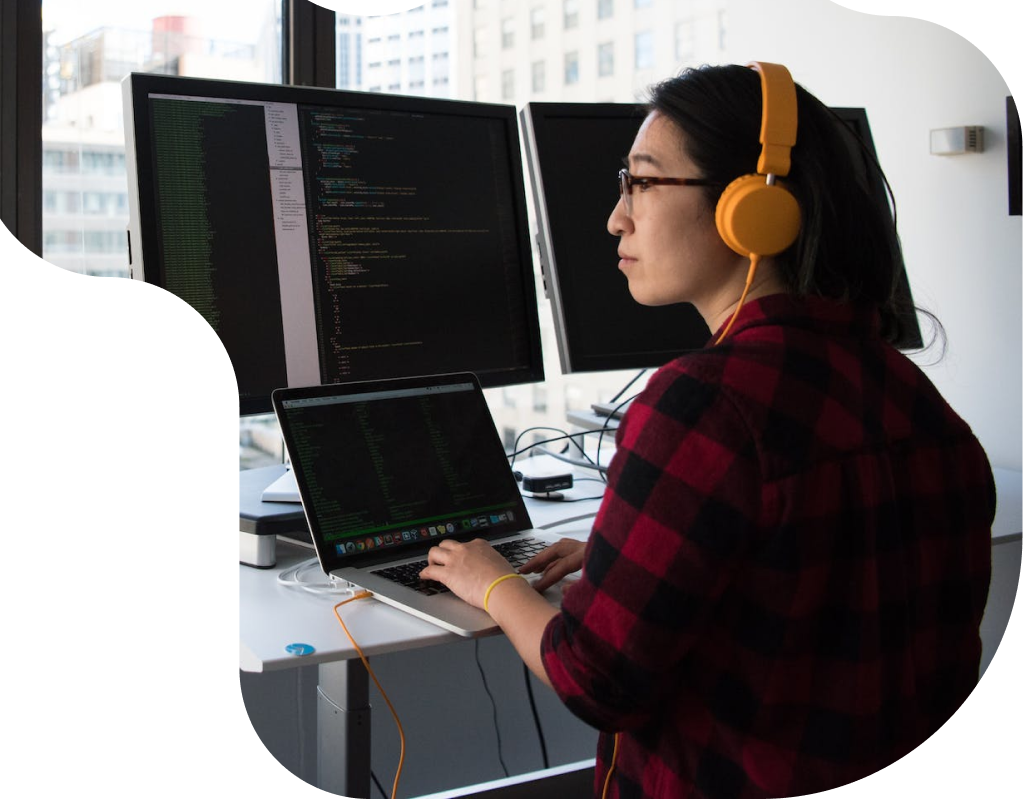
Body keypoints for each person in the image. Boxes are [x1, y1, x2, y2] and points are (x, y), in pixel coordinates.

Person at [420, 63, 995, 798]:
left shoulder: (703, 405)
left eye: (642, 182)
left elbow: (594, 679)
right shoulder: (914, 397)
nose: (615, 217)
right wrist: (633, 546)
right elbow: (813, 566)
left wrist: (492, 579)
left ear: (751, 209)